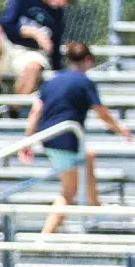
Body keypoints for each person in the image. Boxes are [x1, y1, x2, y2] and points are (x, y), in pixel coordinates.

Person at [17, 42, 132, 235]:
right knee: (69, 190)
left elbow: (35, 112)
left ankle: (95, 208)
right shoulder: (84, 81)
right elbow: (101, 112)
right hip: (66, 137)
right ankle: (44, 237)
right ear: (87, 60)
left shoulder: (52, 80)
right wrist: (121, 130)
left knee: (88, 156)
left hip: (48, 136)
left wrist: (28, 140)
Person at [0, 0, 76, 112]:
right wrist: (34, 33)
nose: (64, 3)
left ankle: (13, 110)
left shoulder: (58, 14)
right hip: (9, 47)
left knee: (33, 66)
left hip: (32, 54)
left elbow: (54, 49)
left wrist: (58, 74)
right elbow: (6, 24)